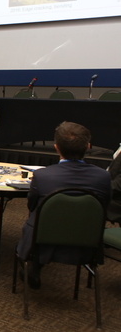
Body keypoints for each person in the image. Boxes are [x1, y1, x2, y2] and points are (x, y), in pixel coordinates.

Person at [16, 122, 111, 289]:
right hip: (86, 240)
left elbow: (32, 206)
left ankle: (34, 266)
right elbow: (104, 206)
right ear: (88, 147)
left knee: (37, 219)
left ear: (56, 148)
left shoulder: (42, 176)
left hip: (42, 240)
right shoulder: (103, 177)